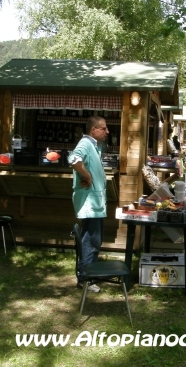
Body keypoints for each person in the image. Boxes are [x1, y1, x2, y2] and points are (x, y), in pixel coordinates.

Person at [67, 116, 109, 293]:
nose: (107, 132)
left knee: (94, 239)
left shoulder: (94, 145)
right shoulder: (85, 143)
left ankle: (88, 275)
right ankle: (86, 278)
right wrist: (87, 176)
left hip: (96, 204)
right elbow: (74, 160)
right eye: (104, 128)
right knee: (90, 240)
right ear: (94, 130)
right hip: (89, 204)